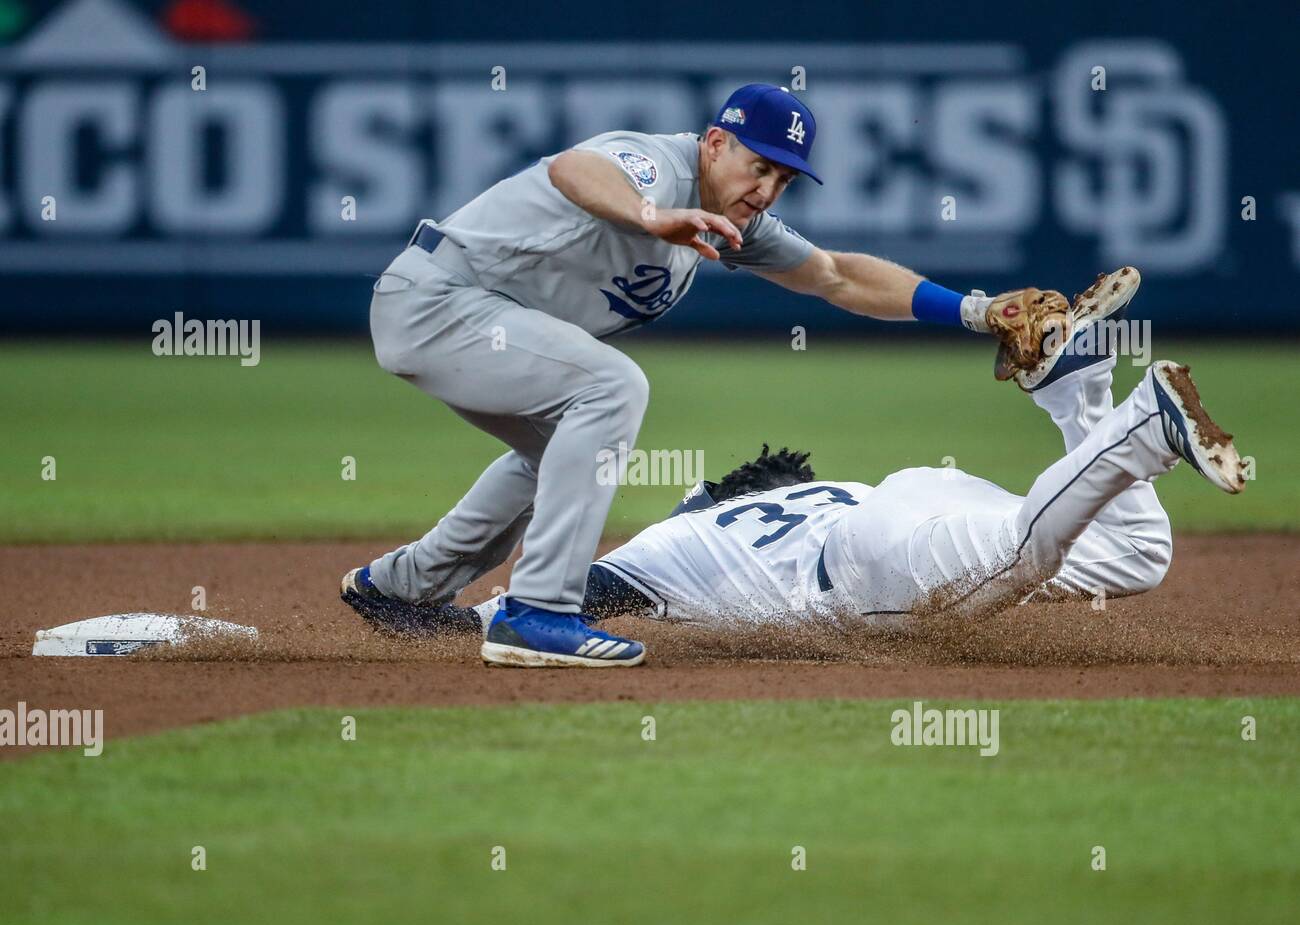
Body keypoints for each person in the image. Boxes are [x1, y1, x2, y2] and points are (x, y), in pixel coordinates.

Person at [341, 83, 1054, 668]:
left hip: (473, 314)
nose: (767, 188)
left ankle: (400, 587)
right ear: (716, 143)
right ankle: (537, 612)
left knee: (556, 451)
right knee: (612, 387)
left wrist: (974, 310)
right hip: (438, 297)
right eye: (758, 164)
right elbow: (572, 170)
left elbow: (836, 276)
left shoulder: (731, 219)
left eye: (782, 177)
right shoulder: (661, 167)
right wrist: (652, 214)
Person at [342, 268, 1247, 647]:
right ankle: (1072, 392)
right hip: (912, 491)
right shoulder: (799, 494)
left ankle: (1139, 424)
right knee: (1134, 553)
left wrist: (416, 612)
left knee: (1026, 549)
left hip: (868, 563)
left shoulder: (665, 549)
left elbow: (533, 611)